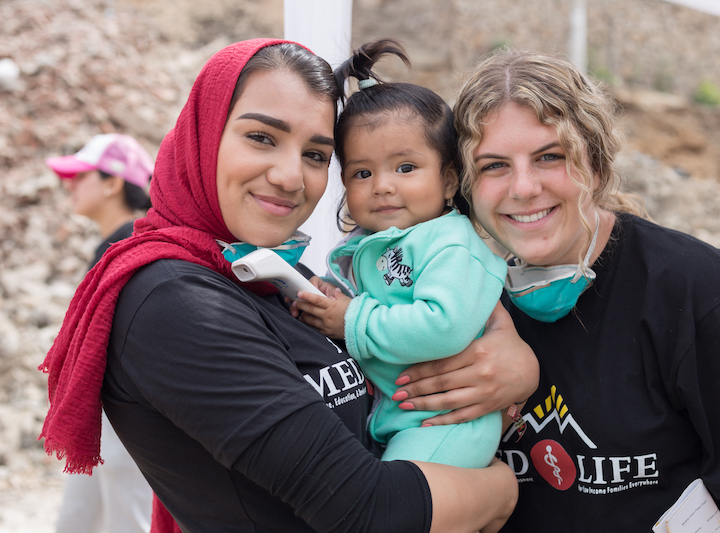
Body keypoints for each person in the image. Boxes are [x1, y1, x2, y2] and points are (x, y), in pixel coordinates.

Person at [38, 38, 531, 533]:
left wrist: (515, 365)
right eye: (262, 138)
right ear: (204, 134)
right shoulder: (173, 300)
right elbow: (371, 513)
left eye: (316, 155)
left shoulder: (257, 275)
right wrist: (500, 491)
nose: (290, 176)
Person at [395, 48, 720, 531]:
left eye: (550, 157)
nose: (523, 188)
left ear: (598, 166)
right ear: (463, 187)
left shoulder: (700, 294)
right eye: (494, 166)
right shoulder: (456, 305)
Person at [291, 39, 508, 468]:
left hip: (449, 423)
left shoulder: (451, 243)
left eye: (405, 168)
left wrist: (350, 318)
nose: (382, 185)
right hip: (401, 419)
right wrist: (323, 298)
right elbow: (363, 301)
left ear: (449, 181)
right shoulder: (368, 244)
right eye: (362, 172)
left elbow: (443, 327)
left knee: (397, 505)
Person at [46, 133, 154, 533]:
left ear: (112, 183)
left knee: (128, 522)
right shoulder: (116, 245)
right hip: (104, 412)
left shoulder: (131, 245)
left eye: (81, 175)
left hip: (126, 414)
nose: (70, 185)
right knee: (78, 520)